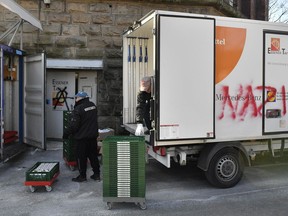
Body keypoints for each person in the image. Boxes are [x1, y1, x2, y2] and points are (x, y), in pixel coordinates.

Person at [63, 91, 100, 182]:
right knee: (93, 157)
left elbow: (74, 126)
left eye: (77, 98)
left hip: (81, 138)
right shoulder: (93, 106)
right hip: (92, 137)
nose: (75, 99)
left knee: (81, 158)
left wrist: (66, 134)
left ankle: (82, 176)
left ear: (80, 98)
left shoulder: (78, 109)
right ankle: (96, 174)